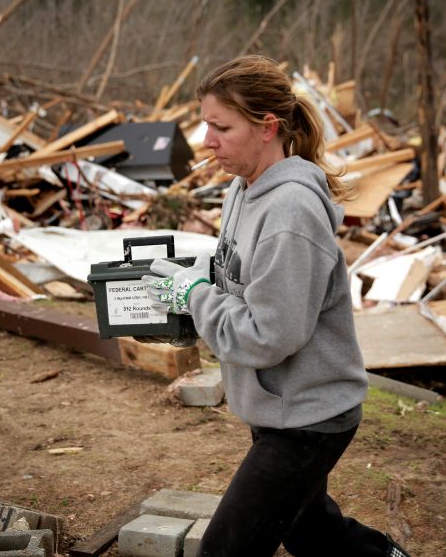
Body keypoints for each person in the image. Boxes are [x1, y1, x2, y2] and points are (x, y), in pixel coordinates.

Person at [142, 55, 410, 557]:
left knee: (226, 550)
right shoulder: (242, 191)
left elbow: (271, 334)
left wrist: (194, 296)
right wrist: (196, 285)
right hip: (276, 405)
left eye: (221, 127)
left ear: (267, 127)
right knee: (312, 531)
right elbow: (241, 281)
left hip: (308, 417)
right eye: (206, 125)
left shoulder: (291, 209)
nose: (207, 141)